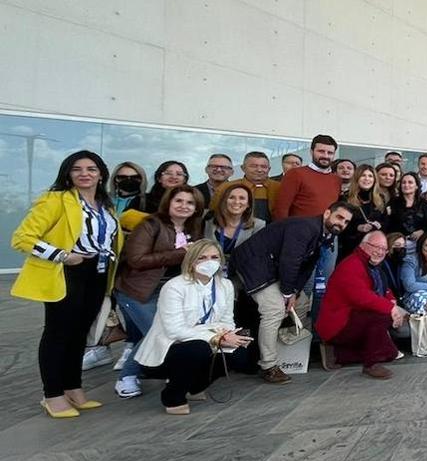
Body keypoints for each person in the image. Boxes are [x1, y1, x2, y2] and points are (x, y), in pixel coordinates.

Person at [12, 151, 122, 418]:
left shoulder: (105, 205)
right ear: (68, 173)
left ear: (101, 174)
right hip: (67, 272)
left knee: (79, 334)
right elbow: (22, 238)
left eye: (91, 169)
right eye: (77, 169)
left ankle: (73, 388)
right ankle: (52, 394)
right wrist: (63, 256)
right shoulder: (56, 200)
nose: (85, 173)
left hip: (97, 274)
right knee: (58, 334)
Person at [230, 202, 354, 384]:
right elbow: (291, 260)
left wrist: (294, 292)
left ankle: (289, 352)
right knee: (274, 310)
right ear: (327, 213)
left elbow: (307, 266)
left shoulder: (324, 234)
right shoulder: (306, 227)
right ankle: (269, 365)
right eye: (339, 217)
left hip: (273, 269)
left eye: (346, 222)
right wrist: (287, 293)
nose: (341, 224)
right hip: (253, 265)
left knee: (302, 302)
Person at [134, 240, 250, 414]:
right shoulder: (175, 286)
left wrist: (228, 336)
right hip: (169, 349)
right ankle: (172, 397)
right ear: (191, 260)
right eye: (201, 258)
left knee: (241, 351)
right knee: (198, 348)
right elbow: (175, 330)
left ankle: (194, 387)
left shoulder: (225, 285)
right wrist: (216, 337)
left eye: (214, 257)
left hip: (207, 340)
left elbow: (227, 320)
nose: (208, 262)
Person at [113, 186, 204, 398]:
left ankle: (159, 371)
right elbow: (136, 260)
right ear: (168, 203)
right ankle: (127, 376)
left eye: (190, 203)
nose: (184, 206)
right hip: (139, 291)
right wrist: (178, 254)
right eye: (179, 201)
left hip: (171, 292)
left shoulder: (193, 228)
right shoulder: (150, 225)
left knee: (163, 332)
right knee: (157, 332)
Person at [316, 230, 407, 379]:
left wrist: (391, 300)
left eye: (383, 249)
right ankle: (371, 364)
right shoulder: (352, 265)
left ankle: (337, 353)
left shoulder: (371, 265)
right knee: (382, 316)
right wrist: (391, 308)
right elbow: (362, 297)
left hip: (353, 318)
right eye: (375, 247)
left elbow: (384, 288)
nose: (380, 252)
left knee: (389, 353)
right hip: (338, 323)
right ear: (363, 245)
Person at [272, 135, 340, 220]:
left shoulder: (336, 180)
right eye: (321, 151)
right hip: (298, 230)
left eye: (330, 153)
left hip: (326, 231)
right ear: (311, 152)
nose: (325, 156)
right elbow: (281, 208)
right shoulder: (295, 174)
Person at [203, 184, 265, 272]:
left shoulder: (258, 225)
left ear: (248, 204)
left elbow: (256, 256)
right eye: (231, 197)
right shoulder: (208, 220)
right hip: (207, 272)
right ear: (224, 201)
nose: (236, 202)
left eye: (242, 198)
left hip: (240, 274)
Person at [213, 152, 281, 222]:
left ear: (269, 169)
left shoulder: (279, 188)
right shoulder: (226, 188)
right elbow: (214, 214)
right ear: (243, 168)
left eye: (263, 167)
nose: (259, 170)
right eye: (253, 166)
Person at [338, 164, 386, 260]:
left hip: (373, 247)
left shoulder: (380, 199)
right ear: (357, 178)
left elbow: (385, 221)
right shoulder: (345, 198)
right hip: (351, 247)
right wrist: (358, 227)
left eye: (370, 176)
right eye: (363, 175)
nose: (367, 179)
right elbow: (339, 223)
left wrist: (378, 225)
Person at [387, 171, 427, 250]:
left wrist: (423, 231)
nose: (406, 185)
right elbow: (388, 225)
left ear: (416, 186)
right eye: (403, 182)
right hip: (398, 246)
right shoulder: (393, 203)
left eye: (410, 182)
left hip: (421, 247)